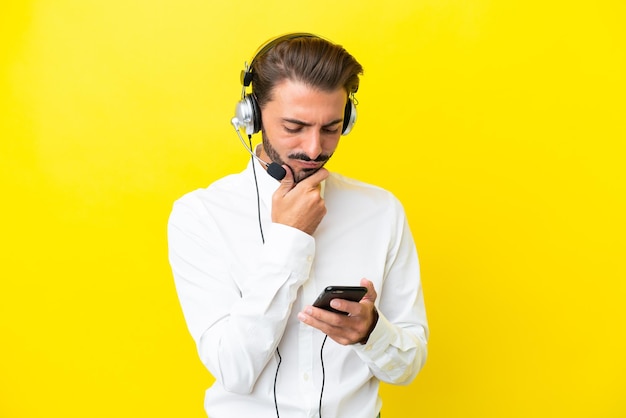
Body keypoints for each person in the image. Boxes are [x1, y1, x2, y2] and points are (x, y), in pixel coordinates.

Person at [168, 32, 428, 418]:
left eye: (330, 128)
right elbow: (233, 371)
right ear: (251, 116)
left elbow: (408, 367)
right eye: (294, 126)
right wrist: (289, 240)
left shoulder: (381, 211)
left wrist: (371, 332)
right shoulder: (201, 216)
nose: (313, 148)